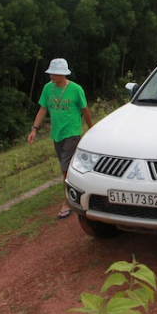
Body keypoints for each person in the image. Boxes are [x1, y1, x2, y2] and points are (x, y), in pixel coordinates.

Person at [28, 58, 93, 219]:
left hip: (72, 132)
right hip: (56, 134)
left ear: (63, 74)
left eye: (55, 73)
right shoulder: (47, 89)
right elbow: (43, 109)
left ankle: (67, 202)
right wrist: (34, 129)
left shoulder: (76, 89)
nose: (52, 76)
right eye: (51, 73)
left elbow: (85, 110)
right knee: (67, 167)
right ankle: (83, 188)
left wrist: (92, 130)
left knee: (65, 168)